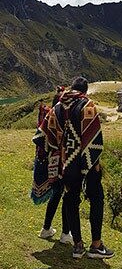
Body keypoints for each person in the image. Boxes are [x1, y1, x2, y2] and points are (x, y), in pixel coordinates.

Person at [34, 76, 114, 259]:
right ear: (85, 91)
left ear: (72, 88)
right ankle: (96, 245)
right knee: (97, 198)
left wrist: (56, 150)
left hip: (66, 163)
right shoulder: (88, 106)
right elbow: (94, 137)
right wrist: (93, 162)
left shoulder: (58, 107)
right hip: (86, 161)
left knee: (70, 199)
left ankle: (77, 245)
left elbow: (43, 134)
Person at [34, 86, 72, 244]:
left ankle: (46, 228)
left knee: (56, 194)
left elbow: (41, 139)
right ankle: (65, 233)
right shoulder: (64, 119)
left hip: (51, 164)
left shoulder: (49, 119)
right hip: (64, 163)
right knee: (67, 196)